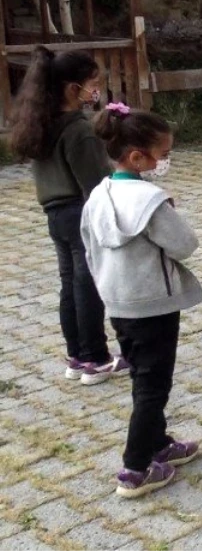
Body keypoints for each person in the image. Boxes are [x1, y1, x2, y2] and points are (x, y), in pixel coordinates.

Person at [83, 104, 202, 498]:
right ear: (137, 157)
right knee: (153, 386)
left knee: (142, 376)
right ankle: (135, 468)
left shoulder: (99, 194)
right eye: (163, 155)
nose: (164, 162)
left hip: (118, 302)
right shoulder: (150, 200)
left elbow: (87, 248)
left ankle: (158, 443)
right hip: (153, 303)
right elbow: (185, 245)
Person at [6, 47, 126, 384]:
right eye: (93, 84)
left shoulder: (40, 125)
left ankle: (76, 355)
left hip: (54, 215)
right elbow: (98, 183)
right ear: (74, 89)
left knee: (69, 285)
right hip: (78, 213)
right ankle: (97, 358)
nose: (96, 91)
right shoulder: (77, 129)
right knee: (88, 285)